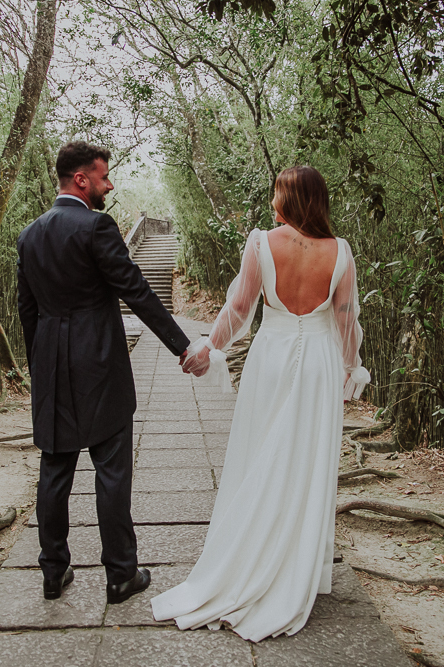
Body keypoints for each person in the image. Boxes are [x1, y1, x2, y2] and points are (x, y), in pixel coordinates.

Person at [150, 165, 370, 641]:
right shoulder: (340, 253)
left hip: (269, 359)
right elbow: (347, 319)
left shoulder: (260, 243)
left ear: (291, 199)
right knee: (305, 461)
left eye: (277, 193)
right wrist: (353, 366)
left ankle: (248, 557)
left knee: (259, 453)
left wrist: (210, 345)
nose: (273, 200)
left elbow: (239, 306)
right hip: (318, 365)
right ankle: (293, 567)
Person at [17, 141, 191, 605]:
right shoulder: (97, 225)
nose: (109, 185)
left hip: (52, 364)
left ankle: (53, 572)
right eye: (103, 176)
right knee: (111, 471)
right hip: (99, 364)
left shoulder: (30, 235)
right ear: (81, 180)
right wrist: (182, 345)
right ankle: (120, 575)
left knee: (55, 469)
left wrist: (42, 372)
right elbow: (135, 290)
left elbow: (27, 311)